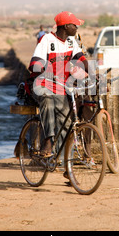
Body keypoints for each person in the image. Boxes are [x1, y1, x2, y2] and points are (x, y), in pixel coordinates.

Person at [28, 11, 89, 157]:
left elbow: (81, 59)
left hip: (60, 87)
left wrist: (91, 73)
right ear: (66, 26)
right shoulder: (47, 40)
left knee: (66, 124)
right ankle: (48, 140)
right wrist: (43, 70)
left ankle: (66, 166)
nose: (77, 28)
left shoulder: (71, 41)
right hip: (43, 84)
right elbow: (35, 61)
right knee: (48, 100)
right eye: (74, 25)